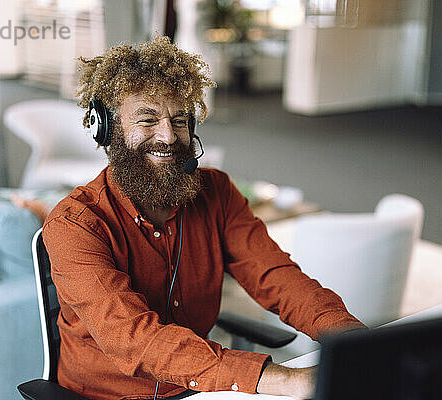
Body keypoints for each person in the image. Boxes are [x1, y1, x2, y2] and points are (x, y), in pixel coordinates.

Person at [43, 36, 365, 400]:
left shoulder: (217, 192)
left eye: (179, 120)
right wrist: (287, 380)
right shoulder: (75, 224)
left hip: (200, 386)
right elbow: (134, 338)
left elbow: (275, 276)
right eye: (147, 119)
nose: (167, 136)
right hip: (111, 395)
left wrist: (352, 339)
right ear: (107, 129)